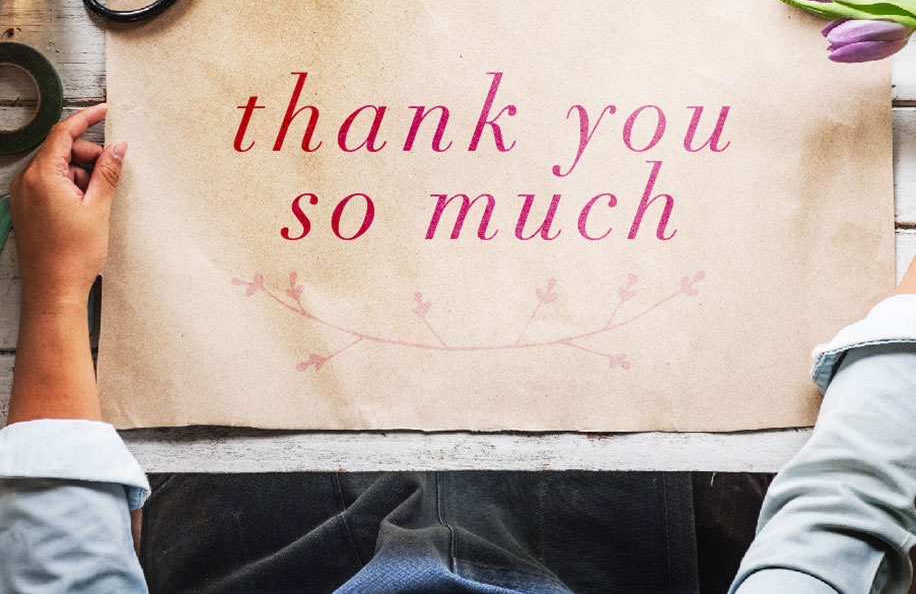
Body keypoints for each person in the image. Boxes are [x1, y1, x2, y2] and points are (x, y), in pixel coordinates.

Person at [0, 105, 914, 594]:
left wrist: (50, 298)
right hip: (608, 536)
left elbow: (62, 571)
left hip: (260, 537)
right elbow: (832, 536)